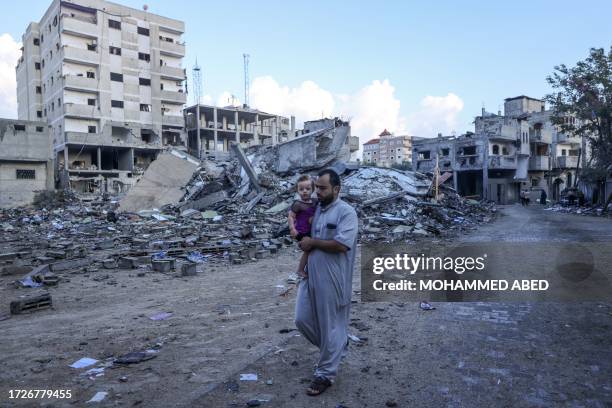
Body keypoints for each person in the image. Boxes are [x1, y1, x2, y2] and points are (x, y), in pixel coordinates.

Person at [294, 168, 358, 396]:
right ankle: (337, 345)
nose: (317, 192)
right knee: (301, 319)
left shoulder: (346, 213)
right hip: (311, 275)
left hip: (334, 279)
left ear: (336, 189)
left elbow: (342, 245)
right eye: (316, 187)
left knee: (331, 324)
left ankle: (325, 374)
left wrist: (312, 242)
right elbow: (304, 235)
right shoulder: (316, 210)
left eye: (322, 188)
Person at [288, 175, 317, 277]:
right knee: (308, 249)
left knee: (313, 248)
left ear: (312, 190)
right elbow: (291, 216)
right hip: (300, 231)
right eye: (301, 189)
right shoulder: (297, 204)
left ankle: (309, 268)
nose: (304, 191)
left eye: (308, 189)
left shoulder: (314, 202)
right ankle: (300, 269)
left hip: (309, 231)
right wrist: (292, 228)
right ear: (297, 190)